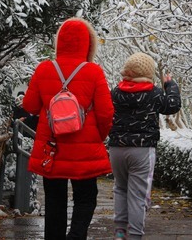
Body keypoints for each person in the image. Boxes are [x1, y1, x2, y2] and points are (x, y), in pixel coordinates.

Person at [22, 17, 114, 240]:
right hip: (84, 150)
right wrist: (97, 137)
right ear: (88, 44)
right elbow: (106, 112)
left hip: (51, 148)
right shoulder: (93, 72)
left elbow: (30, 106)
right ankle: (76, 235)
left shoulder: (44, 69)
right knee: (86, 197)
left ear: (59, 42)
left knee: (54, 201)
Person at [108, 52, 182, 240]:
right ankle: (134, 235)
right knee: (138, 194)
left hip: (117, 149)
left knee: (120, 188)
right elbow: (172, 105)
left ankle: (119, 231)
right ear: (148, 72)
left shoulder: (115, 92)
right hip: (142, 150)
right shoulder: (154, 93)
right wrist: (170, 85)